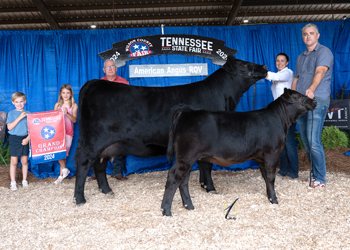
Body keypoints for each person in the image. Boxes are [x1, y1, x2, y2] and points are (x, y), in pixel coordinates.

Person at [291, 23, 334, 189]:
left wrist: (311, 89)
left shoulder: (324, 52)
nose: (308, 36)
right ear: (302, 37)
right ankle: (315, 175)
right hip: (301, 103)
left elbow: (320, 72)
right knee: (306, 142)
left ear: (318, 35)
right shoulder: (301, 57)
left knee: (313, 140)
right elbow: (296, 79)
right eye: (305, 34)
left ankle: (321, 179)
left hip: (317, 101)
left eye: (311, 33)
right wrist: (293, 99)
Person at [90, 60, 129, 181]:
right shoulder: (99, 84)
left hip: (119, 119)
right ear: (104, 70)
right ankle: (98, 171)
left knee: (120, 143)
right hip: (103, 120)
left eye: (112, 66)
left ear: (116, 68)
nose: (110, 68)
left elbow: (129, 101)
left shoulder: (124, 82)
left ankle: (117, 172)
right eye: (108, 67)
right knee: (99, 145)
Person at [266, 53, 299, 179]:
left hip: (288, 113)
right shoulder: (278, 76)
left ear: (287, 62)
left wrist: (260, 72)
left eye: (282, 61)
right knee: (283, 142)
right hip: (279, 114)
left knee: (289, 142)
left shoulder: (288, 73)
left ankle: (294, 170)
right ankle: (284, 168)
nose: (279, 63)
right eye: (277, 61)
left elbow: (274, 76)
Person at [53, 84, 78, 184]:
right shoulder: (57, 105)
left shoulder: (74, 105)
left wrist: (67, 113)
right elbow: (53, 119)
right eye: (63, 93)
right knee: (58, 153)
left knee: (63, 154)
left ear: (71, 94)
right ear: (60, 94)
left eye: (68, 92)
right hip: (58, 132)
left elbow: (74, 120)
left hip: (68, 132)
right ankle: (64, 170)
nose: (66, 95)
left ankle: (61, 175)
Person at [6, 92, 30, 191]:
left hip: (25, 138)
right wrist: (20, 117)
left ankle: (24, 180)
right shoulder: (11, 113)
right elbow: (10, 127)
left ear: (25, 101)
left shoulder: (29, 113)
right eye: (16, 102)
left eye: (21, 101)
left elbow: (33, 129)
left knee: (24, 161)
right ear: (13, 102)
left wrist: (27, 138)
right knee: (14, 161)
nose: (19, 104)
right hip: (14, 138)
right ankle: (13, 182)